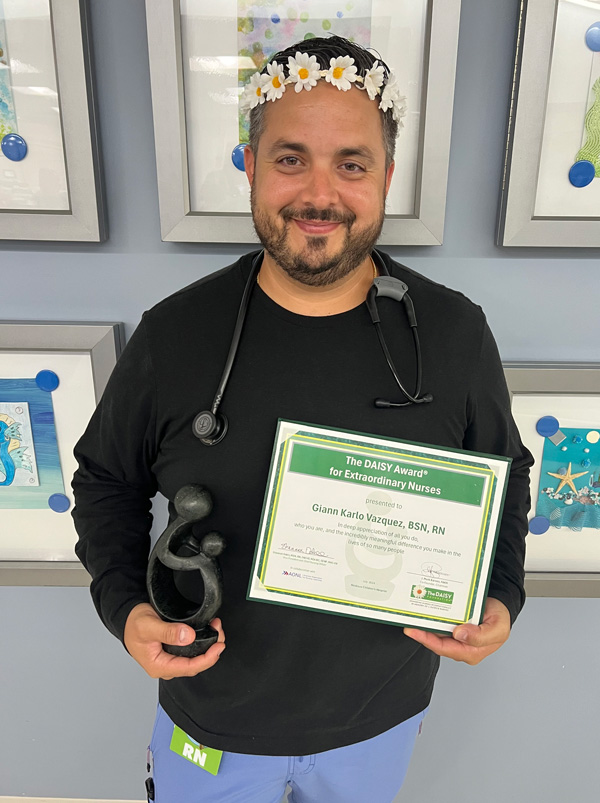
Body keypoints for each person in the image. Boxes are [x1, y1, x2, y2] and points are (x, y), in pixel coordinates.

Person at [72, 35, 532, 803]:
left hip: (378, 720)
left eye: (351, 163)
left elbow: (506, 475)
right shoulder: (175, 336)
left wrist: (504, 594)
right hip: (210, 720)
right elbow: (107, 481)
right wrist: (126, 608)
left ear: (385, 174)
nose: (320, 194)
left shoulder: (453, 337)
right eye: (290, 159)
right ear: (251, 168)